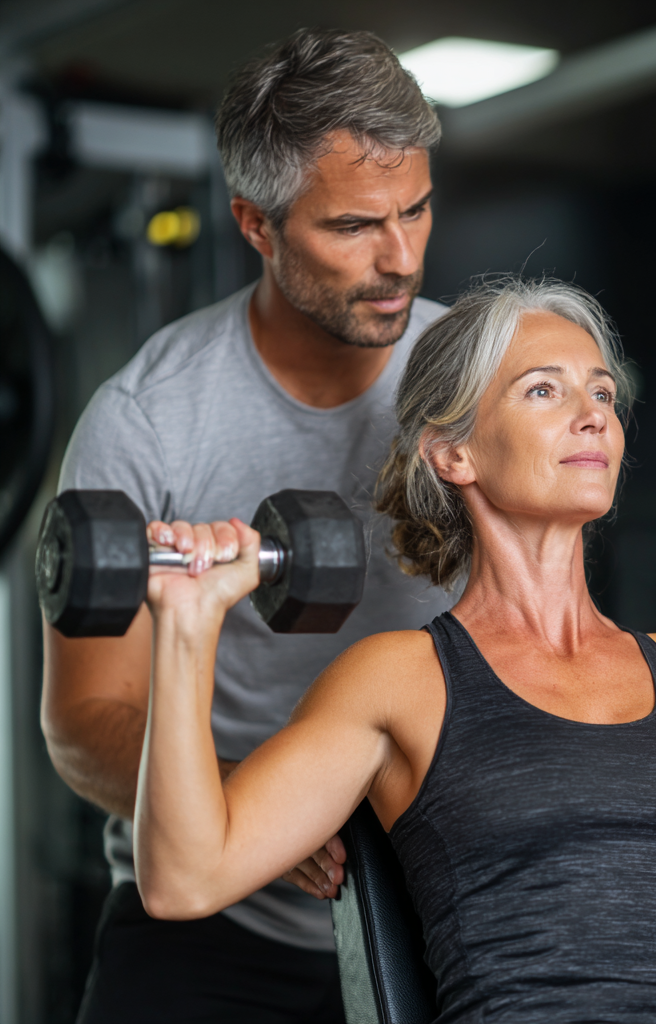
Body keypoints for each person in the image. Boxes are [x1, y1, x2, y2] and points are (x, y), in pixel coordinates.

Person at [133, 277, 656, 1024]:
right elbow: (186, 878)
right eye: (545, 389)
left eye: (603, 393)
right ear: (454, 454)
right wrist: (188, 625)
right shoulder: (399, 681)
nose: (593, 416)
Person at [41, 28, 453, 1024]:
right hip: (209, 914)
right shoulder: (150, 419)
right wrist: (252, 800)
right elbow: (84, 718)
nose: (398, 257)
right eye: (353, 226)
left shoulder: (474, 386)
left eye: (418, 210)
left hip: (443, 899)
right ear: (256, 226)